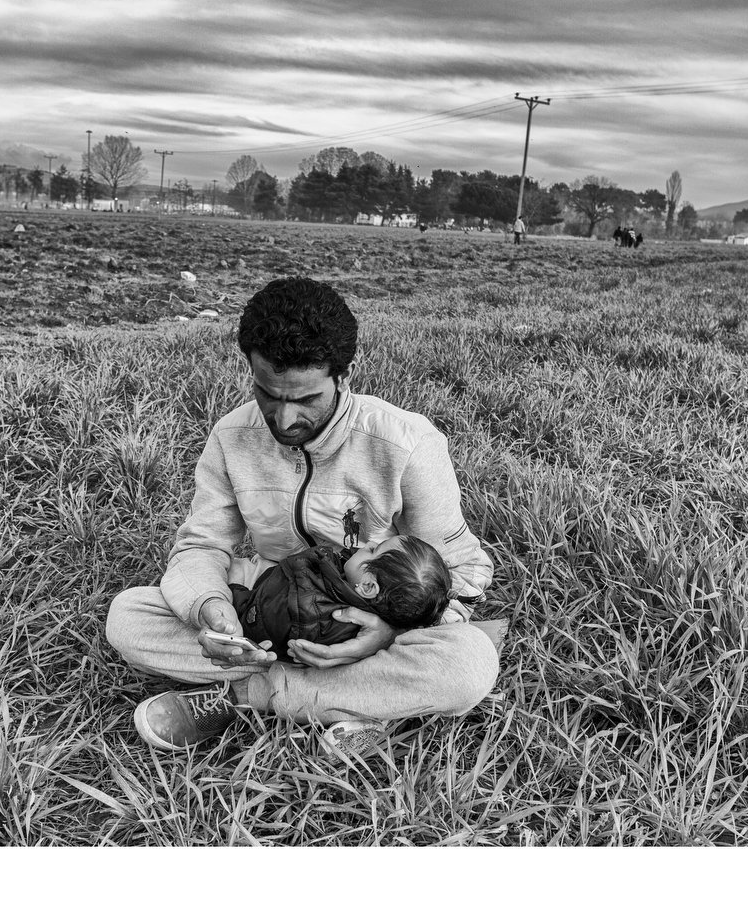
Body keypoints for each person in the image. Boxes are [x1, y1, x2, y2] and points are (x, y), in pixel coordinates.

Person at [105, 276, 499, 757]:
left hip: (368, 623)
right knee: (128, 616)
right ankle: (357, 703)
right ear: (251, 370)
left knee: (469, 663)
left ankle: (249, 695)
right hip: (266, 609)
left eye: (307, 399)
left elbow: (465, 569)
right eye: (269, 394)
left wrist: (385, 635)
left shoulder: (407, 443)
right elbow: (202, 546)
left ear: (344, 376)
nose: (285, 420)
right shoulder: (231, 437)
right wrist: (211, 610)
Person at [231, 536, 452, 660]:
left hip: (253, 604)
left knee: (228, 573)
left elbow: (263, 616)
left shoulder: (312, 606)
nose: (369, 543)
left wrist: (235, 594)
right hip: (269, 589)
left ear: (367, 586)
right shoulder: (347, 584)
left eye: (374, 550)